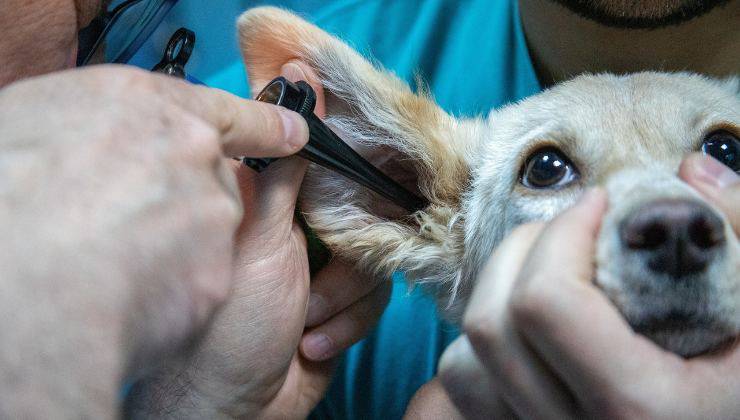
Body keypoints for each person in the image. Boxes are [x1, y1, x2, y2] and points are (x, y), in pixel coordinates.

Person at [0, 1, 737, 419]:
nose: (671, 216)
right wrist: (197, 403)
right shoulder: (229, 162)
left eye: (725, 156)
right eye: (546, 170)